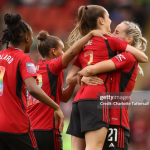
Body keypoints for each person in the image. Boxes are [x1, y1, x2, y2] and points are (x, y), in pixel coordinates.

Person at [65, 5, 148, 150]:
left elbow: (85, 70)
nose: (112, 33)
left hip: (115, 120)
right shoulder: (106, 49)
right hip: (99, 110)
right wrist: (83, 76)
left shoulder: (126, 56)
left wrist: (84, 73)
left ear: (128, 40)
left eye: (117, 32)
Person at [27, 29, 110, 150]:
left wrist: (77, 79)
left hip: (31, 131)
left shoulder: (36, 70)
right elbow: (71, 52)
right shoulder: (52, 66)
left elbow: (64, 98)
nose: (63, 52)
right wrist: (90, 35)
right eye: (61, 49)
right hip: (47, 129)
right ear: (54, 51)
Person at [0, 13, 65, 150]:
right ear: (27, 37)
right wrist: (56, 107)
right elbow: (33, 88)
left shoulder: (1, 56)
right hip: (17, 125)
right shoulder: (23, 58)